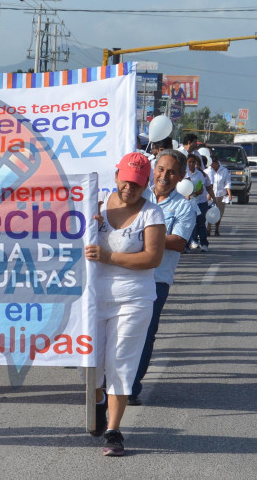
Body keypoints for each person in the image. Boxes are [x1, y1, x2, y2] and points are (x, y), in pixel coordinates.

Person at [84, 152, 166, 456]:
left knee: (120, 362)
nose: (129, 189)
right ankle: (99, 401)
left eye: (136, 184)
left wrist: (109, 257)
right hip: (92, 299)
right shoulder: (96, 203)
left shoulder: (152, 213)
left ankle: (114, 430)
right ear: (116, 177)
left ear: (145, 184)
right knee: (88, 363)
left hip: (133, 299)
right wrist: (84, 223)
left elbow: (152, 258)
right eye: (125, 181)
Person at [129, 150, 195, 406]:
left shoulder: (184, 207)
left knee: (144, 334)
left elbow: (179, 242)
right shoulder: (136, 195)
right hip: (125, 271)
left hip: (156, 279)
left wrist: (141, 233)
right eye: (160, 169)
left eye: (171, 172)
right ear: (153, 170)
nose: (164, 176)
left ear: (180, 177)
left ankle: (131, 388)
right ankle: (107, 383)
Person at [185, 153, 217, 252]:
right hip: (189, 203)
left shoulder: (201, 174)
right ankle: (189, 244)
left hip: (201, 202)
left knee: (201, 223)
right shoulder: (184, 174)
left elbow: (206, 188)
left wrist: (214, 198)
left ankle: (204, 243)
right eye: (189, 162)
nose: (191, 164)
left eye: (193, 162)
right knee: (189, 224)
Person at [204, 154, 232, 236]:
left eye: (214, 163)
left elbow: (227, 182)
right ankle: (208, 228)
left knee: (219, 213)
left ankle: (217, 229)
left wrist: (229, 194)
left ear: (217, 163)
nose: (212, 165)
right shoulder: (207, 171)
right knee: (209, 212)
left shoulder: (224, 170)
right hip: (209, 196)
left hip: (220, 195)